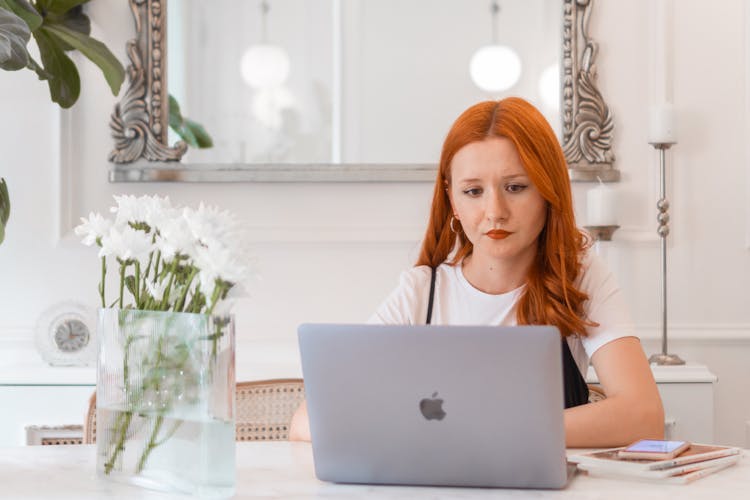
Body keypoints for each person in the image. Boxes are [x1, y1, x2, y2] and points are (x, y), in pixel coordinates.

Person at [290, 97, 663, 447]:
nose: (495, 211)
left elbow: (643, 416)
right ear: (452, 200)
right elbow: (306, 421)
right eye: (473, 192)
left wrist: (493, 432)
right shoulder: (422, 292)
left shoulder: (579, 278)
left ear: (548, 193)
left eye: (515, 187)